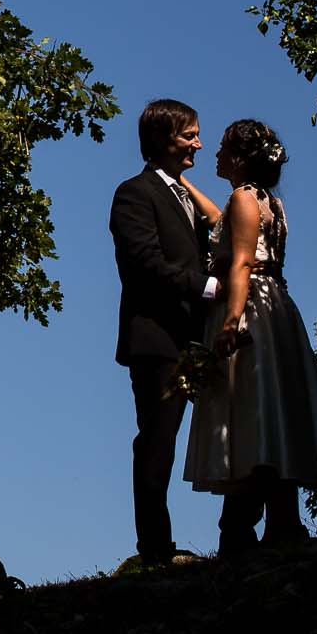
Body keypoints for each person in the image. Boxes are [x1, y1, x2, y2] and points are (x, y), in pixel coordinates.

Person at [183, 119, 317, 554]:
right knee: (275, 409)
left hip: (252, 309)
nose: (217, 154)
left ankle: (239, 529)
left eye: (225, 148)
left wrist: (230, 323)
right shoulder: (268, 203)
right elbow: (220, 222)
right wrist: (183, 185)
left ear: (242, 158)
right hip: (278, 305)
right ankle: (283, 523)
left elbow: (241, 262)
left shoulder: (243, 199)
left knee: (250, 410)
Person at [110, 98, 223, 567]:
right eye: (189, 134)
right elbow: (145, 264)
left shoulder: (185, 195)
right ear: (161, 138)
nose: (199, 142)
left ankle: (237, 531)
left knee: (230, 425)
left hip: (200, 336)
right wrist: (209, 287)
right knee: (158, 439)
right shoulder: (133, 194)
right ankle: (155, 548)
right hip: (157, 339)